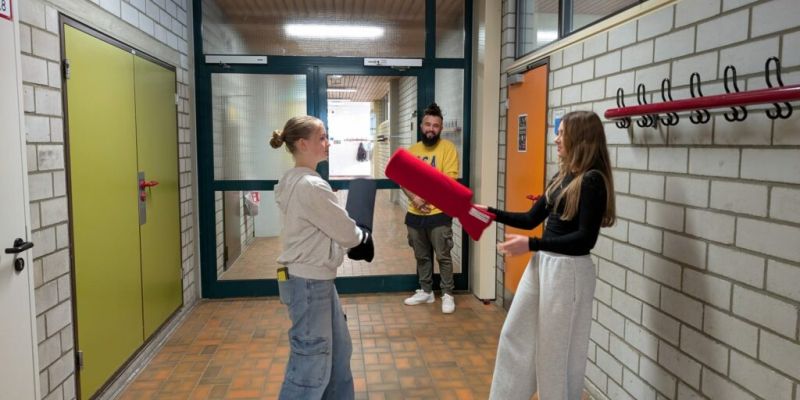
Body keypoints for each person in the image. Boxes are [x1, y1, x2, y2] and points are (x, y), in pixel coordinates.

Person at [481, 111, 616, 400]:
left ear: (580, 138)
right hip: (544, 263)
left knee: (555, 355)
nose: (556, 139)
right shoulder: (562, 176)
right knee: (514, 334)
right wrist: (490, 213)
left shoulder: (592, 181)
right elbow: (531, 218)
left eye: (562, 133)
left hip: (569, 271)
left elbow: (585, 240)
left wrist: (532, 244)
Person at [270, 116, 372, 400]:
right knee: (310, 366)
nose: (328, 143)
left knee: (338, 354)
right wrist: (363, 237)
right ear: (303, 144)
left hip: (316, 281)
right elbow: (345, 231)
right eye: (322, 138)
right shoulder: (310, 186)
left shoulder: (296, 180)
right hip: (308, 284)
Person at [401, 103, 460, 314]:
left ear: (441, 128)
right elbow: (403, 179)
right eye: (428, 124)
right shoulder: (412, 151)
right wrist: (414, 198)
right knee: (422, 256)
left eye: (435, 126)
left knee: (443, 256)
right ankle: (426, 291)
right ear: (421, 126)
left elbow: (449, 181)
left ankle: (447, 294)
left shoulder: (448, 149)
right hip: (414, 214)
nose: (431, 129)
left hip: (439, 213)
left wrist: (423, 197)